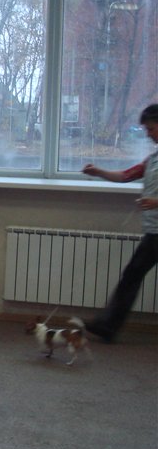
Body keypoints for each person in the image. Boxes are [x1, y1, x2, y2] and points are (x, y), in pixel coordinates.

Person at [81, 103, 158, 342]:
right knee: (131, 275)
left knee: (132, 275)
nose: (148, 134)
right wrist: (99, 172)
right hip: (154, 233)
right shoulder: (152, 160)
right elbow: (126, 175)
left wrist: (156, 202)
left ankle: (108, 325)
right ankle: (108, 326)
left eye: (151, 129)